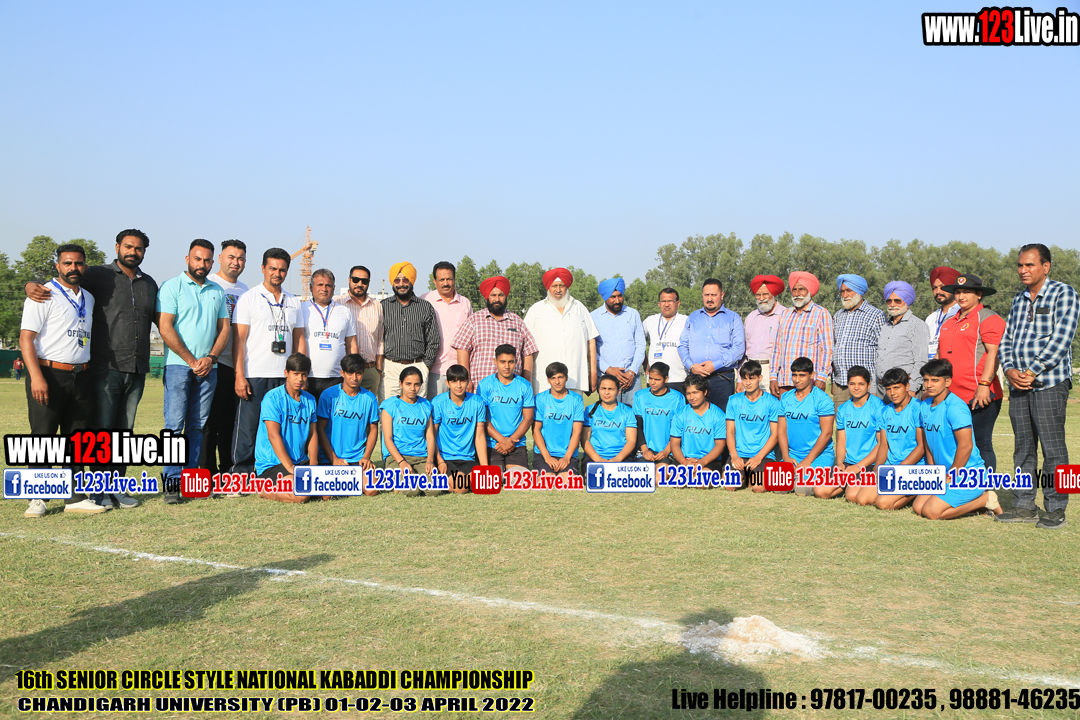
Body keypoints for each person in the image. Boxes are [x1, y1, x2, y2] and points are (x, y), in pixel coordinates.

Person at [25, 228, 158, 510]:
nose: (133, 252)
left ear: (144, 252)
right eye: (128, 246)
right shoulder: (98, 275)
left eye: (138, 248)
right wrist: (30, 285)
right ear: (117, 247)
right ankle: (61, 495)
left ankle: (109, 489)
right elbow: (60, 281)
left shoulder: (148, 284)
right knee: (87, 435)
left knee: (119, 435)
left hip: (132, 368)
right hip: (103, 368)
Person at [997, 244, 1080, 529]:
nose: (1023, 270)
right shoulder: (1019, 299)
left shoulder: (1064, 293)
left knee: (1054, 448)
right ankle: (1023, 505)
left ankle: (1057, 509)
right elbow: (1006, 339)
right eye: (1020, 265)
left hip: (1050, 383)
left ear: (1046, 267)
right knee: (1023, 447)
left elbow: (1062, 339)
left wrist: (1032, 370)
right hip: (1018, 385)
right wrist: (1009, 369)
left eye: (1029, 265)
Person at [20, 244, 102, 516]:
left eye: (78, 263)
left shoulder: (88, 298)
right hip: (49, 373)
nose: (73, 268)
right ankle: (37, 498)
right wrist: (36, 377)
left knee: (77, 439)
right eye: (67, 263)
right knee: (43, 437)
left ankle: (75, 498)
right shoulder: (42, 294)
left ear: (85, 266)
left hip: (81, 375)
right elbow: (26, 338)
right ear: (58, 266)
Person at [156, 239, 231, 504]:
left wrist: (210, 358)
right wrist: (191, 360)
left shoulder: (217, 291)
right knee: (174, 426)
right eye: (198, 259)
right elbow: (165, 327)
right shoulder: (171, 286)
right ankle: (172, 484)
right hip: (179, 366)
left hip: (209, 367)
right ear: (187, 259)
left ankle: (192, 483)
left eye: (207, 260)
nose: (202, 264)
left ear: (212, 262)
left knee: (198, 426)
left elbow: (224, 329)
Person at [231, 248, 305, 476]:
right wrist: (239, 375)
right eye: (273, 268)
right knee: (248, 428)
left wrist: (300, 374)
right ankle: (240, 475)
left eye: (282, 270)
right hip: (254, 374)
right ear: (263, 268)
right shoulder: (249, 298)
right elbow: (239, 341)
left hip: (284, 377)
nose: (277, 273)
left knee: (282, 427)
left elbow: (299, 339)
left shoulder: (293, 302)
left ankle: (273, 472)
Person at [912, 359, 1001, 520]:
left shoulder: (956, 407)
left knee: (931, 512)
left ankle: (985, 499)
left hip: (967, 474)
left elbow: (966, 446)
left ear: (948, 382)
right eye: (926, 380)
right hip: (943, 473)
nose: (929, 385)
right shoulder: (925, 405)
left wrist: (950, 476)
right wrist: (934, 472)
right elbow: (928, 444)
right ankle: (973, 504)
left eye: (935, 380)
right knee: (918, 507)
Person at [936, 274, 1004, 473]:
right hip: (951, 396)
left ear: (979, 294)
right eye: (958, 292)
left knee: (981, 443)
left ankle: (986, 488)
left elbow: (993, 354)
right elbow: (939, 357)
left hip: (978, 394)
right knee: (955, 443)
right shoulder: (949, 321)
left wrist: (984, 385)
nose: (961, 296)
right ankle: (959, 486)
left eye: (967, 292)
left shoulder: (988, 317)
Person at [201, 239, 249, 479]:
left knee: (231, 422)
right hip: (213, 363)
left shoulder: (246, 291)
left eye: (240, 258)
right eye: (231, 257)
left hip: (235, 365)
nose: (235, 262)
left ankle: (228, 471)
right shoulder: (209, 284)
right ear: (220, 258)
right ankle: (206, 471)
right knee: (210, 421)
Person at [254, 353, 319, 504]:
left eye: (304, 375)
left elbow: (313, 434)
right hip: (273, 465)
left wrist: (314, 464)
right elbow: (273, 435)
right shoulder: (272, 398)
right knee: (301, 495)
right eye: (295, 374)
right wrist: (290, 468)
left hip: (300, 462)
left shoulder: (310, 400)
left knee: (327, 493)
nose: (300, 379)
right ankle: (264, 490)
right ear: (286, 373)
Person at [454, 275, 538, 391]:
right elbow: (462, 349)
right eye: (493, 295)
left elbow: (528, 352)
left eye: (501, 295)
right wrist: (466, 379)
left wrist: (527, 383)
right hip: (480, 387)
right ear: (487, 297)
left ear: (506, 297)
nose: (497, 299)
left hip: (512, 389)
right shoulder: (474, 320)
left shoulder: (517, 321)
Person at [524, 267, 598, 395]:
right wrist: (526, 379)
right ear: (548, 287)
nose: (558, 290)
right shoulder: (536, 310)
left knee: (574, 408)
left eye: (562, 286)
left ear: (566, 287)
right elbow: (526, 347)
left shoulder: (579, 308)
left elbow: (591, 341)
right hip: (543, 383)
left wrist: (593, 373)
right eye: (554, 286)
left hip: (575, 379)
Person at [678, 278, 744, 412]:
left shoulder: (733, 318)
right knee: (696, 417)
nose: (709, 299)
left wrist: (715, 365)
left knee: (722, 416)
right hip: (696, 378)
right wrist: (691, 365)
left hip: (722, 378)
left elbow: (738, 348)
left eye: (713, 295)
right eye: (706, 295)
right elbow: (682, 345)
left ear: (722, 295)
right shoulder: (693, 318)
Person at [865, 367, 925, 510]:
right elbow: (883, 445)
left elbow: (922, 446)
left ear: (907, 387)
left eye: (897, 388)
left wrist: (900, 469)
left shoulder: (918, 408)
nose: (892, 393)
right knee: (861, 498)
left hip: (913, 467)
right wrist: (877, 470)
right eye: (888, 389)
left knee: (883, 503)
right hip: (890, 467)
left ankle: (917, 491)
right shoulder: (885, 411)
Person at [380, 261, 440, 402]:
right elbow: (377, 339)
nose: (401, 284)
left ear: (412, 281)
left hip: (417, 366)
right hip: (390, 368)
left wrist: (425, 366)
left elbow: (433, 340)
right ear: (392, 282)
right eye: (397, 280)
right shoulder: (383, 307)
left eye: (405, 279)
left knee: (416, 409)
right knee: (388, 409)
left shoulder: (425, 307)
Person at [315, 354, 379, 483]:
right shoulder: (328, 395)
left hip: (357, 458)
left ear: (363, 373)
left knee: (371, 489)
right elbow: (320, 429)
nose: (354, 378)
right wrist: (333, 458)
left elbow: (373, 429)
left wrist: (366, 457)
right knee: (329, 491)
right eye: (350, 373)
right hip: (331, 458)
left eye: (358, 373)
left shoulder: (370, 398)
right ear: (342, 373)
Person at [778, 357, 836, 496]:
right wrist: (786, 457)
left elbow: (827, 433)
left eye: (802, 375)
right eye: (794, 375)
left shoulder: (823, 400)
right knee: (779, 488)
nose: (797, 380)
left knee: (802, 489)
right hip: (793, 454)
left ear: (812, 375)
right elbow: (782, 430)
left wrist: (808, 461)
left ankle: (829, 472)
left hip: (818, 455)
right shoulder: (785, 398)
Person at [381, 365, 441, 497]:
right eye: (408, 384)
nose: (413, 388)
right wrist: (401, 462)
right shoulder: (390, 405)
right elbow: (388, 439)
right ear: (400, 383)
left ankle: (410, 478)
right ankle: (394, 479)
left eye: (417, 384)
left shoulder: (425, 405)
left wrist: (430, 460)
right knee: (412, 491)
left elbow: (430, 437)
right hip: (397, 457)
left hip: (421, 457)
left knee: (435, 490)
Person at [770, 272, 832, 397]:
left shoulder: (821, 313)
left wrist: (822, 376)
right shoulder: (785, 314)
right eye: (794, 290)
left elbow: (827, 349)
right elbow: (777, 349)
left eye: (801, 289)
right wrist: (773, 376)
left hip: (810, 382)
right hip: (786, 380)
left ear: (809, 291)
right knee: (784, 410)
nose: (797, 294)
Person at [476, 344, 535, 473]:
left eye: (510, 362)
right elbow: (482, 418)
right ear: (495, 361)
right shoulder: (485, 385)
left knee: (518, 480)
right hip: (492, 444)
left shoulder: (525, 385)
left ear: (516, 361)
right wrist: (502, 440)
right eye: (502, 362)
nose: (507, 366)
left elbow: (528, 418)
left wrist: (510, 441)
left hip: (516, 444)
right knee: (493, 479)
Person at [301, 269, 358, 402]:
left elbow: (352, 345)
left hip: (337, 378)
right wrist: (301, 375)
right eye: (320, 285)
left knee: (335, 414)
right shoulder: (302, 309)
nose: (324, 289)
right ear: (311, 287)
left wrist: (352, 373)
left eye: (328, 285)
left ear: (333, 288)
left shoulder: (344, 311)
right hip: (309, 378)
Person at [725, 360, 781, 493]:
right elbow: (730, 431)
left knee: (758, 487)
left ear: (760, 378)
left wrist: (758, 457)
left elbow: (775, 434)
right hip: (740, 454)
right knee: (730, 485)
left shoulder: (772, 402)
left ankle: (751, 476)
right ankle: (744, 476)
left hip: (763, 455)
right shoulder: (733, 400)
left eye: (752, 378)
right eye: (744, 379)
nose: (748, 383)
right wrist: (734, 456)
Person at [832, 273, 887, 408]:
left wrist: (874, 385)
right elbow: (834, 347)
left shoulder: (876, 315)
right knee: (842, 419)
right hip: (841, 383)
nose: (845, 295)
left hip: (865, 384)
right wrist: (833, 380)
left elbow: (883, 350)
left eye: (849, 290)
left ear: (859, 292)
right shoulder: (838, 315)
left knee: (866, 419)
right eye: (842, 291)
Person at [432, 364, 488, 493]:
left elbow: (479, 436)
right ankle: (436, 481)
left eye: (462, 381)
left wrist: (485, 467)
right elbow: (431, 436)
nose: (459, 385)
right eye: (454, 381)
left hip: (468, 458)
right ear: (447, 383)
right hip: (445, 458)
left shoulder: (477, 402)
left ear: (468, 381)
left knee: (482, 484)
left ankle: (449, 482)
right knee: (462, 487)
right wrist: (439, 461)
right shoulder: (438, 403)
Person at [832, 366, 885, 502]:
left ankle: (860, 484)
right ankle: (849, 482)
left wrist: (858, 466)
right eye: (852, 384)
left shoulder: (878, 407)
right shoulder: (843, 409)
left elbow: (881, 444)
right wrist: (840, 463)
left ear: (869, 385)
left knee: (852, 496)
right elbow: (841, 441)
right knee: (821, 491)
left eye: (861, 384)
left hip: (868, 463)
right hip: (848, 462)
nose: (856, 388)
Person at [591, 278, 646, 405]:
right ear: (605, 297)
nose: (617, 300)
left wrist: (632, 372)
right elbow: (591, 350)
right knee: (609, 415)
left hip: (631, 379)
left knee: (634, 414)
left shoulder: (633, 314)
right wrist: (609, 369)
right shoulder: (593, 317)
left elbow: (641, 345)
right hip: (606, 378)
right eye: (613, 297)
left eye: (619, 296)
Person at [423, 261, 472, 399]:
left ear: (454, 280)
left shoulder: (465, 303)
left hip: (459, 371)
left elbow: (470, 338)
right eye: (441, 280)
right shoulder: (426, 300)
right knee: (434, 408)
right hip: (434, 370)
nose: (446, 283)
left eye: (449, 279)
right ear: (434, 281)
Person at [874, 281, 929, 397]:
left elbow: (921, 360)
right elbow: (878, 358)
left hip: (904, 388)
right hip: (881, 389)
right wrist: (873, 388)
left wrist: (912, 388)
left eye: (897, 301)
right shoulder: (885, 326)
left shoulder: (917, 325)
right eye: (889, 301)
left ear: (907, 302)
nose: (892, 304)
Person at [334, 265, 383, 395]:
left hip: (370, 370)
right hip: (346, 371)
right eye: (356, 280)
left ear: (368, 283)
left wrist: (378, 369)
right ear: (349, 280)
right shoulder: (337, 304)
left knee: (369, 406)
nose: (359, 284)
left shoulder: (376, 306)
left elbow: (380, 339)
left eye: (364, 281)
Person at [670, 374, 728, 484]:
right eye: (688, 393)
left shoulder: (718, 415)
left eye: (695, 392)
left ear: (705, 392)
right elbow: (674, 443)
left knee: (701, 482)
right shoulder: (680, 414)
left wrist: (702, 462)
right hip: (686, 459)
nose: (692, 397)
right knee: (677, 481)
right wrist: (684, 462)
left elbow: (720, 445)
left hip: (709, 460)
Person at [532, 362, 586, 478]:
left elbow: (576, 432)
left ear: (566, 378)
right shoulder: (540, 399)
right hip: (544, 454)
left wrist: (567, 457)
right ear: (548, 380)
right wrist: (547, 457)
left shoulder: (576, 400)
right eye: (553, 378)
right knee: (547, 481)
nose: (557, 382)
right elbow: (536, 430)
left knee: (566, 482)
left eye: (560, 377)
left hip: (567, 454)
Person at [632, 362, 685, 475]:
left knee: (659, 477)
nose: (652, 382)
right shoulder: (639, 396)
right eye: (650, 378)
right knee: (640, 476)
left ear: (666, 379)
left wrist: (667, 451)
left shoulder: (677, 398)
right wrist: (645, 449)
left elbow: (679, 428)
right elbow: (638, 425)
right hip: (645, 449)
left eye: (657, 379)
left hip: (667, 450)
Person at [740, 275, 787, 392]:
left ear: (773, 294)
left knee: (773, 401)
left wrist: (777, 375)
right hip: (750, 370)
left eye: (765, 294)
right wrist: (740, 379)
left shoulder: (786, 315)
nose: (762, 298)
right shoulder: (751, 317)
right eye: (758, 295)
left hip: (773, 370)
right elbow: (743, 349)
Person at [582, 374, 637, 464]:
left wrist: (617, 459)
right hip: (595, 457)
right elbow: (585, 439)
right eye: (603, 388)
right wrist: (598, 459)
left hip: (621, 458)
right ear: (599, 390)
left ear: (618, 392)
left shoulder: (628, 411)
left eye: (611, 389)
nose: (606, 392)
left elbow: (631, 441)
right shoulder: (589, 410)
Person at [641, 288, 688, 393]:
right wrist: (645, 362)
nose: (666, 304)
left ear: (678, 303)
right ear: (659, 304)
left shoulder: (686, 321)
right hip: (654, 380)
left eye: (670, 301)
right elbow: (637, 342)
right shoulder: (650, 321)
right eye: (663, 301)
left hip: (679, 378)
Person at [925, 266, 961, 361]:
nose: (938, 292)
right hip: (932, 366)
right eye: (935, 288)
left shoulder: (963, 314)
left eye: (942, 287)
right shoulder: (931, 318)